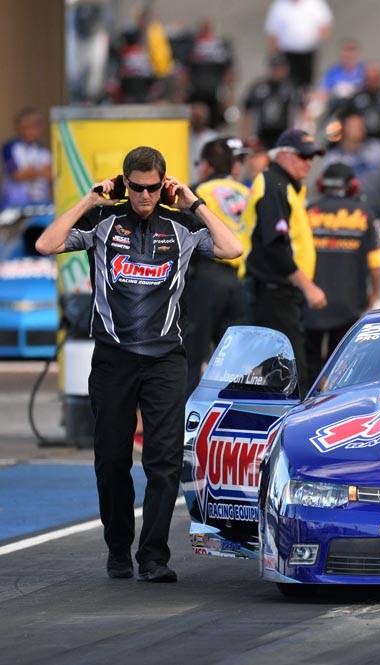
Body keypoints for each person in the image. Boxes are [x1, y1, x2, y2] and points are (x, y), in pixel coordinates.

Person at [33, 146, 243, 582]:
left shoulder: (181, 225)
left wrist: (194, 202)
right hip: (113, 357)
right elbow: (46, 243)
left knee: (163, 461)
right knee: (111, 459)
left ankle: (154, 556)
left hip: (166, 358)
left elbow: (233, 247)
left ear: (163, 184)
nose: (144, 196)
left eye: (152, 188)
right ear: (124, 183)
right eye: (136, 187)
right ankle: (117, 547)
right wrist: (91, 199)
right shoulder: (102, 221)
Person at [244, 129, 327, 395]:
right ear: (283, 155)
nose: (308, 162)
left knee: (278, 371)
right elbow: (276, 247)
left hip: (279, 293)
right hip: (272, 292)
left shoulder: (285, 186)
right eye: (303, 156)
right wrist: (308, 286)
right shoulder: (274, 185)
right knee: (291, 374)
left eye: (311, 157)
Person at [303, 162, 380, 387]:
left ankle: (308, 403)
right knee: (340, 364)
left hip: (311, 300)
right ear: (352, 186)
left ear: (322, 185)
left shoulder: (309, 211)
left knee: (309, 363)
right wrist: (374, 294)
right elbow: (376, 262)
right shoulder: (364, 214)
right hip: (349, 301)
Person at [183, 138, 251, 395]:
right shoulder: (247, 192)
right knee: (237, 365)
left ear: (206, 166)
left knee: (191, 358)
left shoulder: (197, 191)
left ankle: (184, 427)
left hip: (206, 277)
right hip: (240, 282)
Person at [322, 107, 380, 223]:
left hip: (378, 210)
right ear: (343, 129)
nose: (359, 130)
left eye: (361, 126)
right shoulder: (334, 159)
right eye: (353, 126)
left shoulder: (378, 151)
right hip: (347, 215)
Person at [265, 0, 333, 90]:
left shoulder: (314, 3)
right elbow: (271, 31)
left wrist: (316, 38)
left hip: (308, 51)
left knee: (308, 82)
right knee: (289, 82)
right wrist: (275, 53)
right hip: (287, 53)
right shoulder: (280, 5)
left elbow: (326, 23)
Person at [242, 54, 303, 150]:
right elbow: (247, 112)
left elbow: (302, 111)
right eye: (274, 68)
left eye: (280, 68)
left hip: (283, 133)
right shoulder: (258, 88)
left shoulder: (291, 88)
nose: (277, 71)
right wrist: (245, 137)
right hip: (262, 133)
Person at [186, 19, 235, 128]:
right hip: (197, 91)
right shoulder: (192, 45)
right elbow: (186, 71)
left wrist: (229, 95)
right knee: (197, 119)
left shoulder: (222, 45)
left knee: (216, 121)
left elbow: (230, 72)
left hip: (216, 91)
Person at [2, 108, 52, 208]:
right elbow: (17, 175)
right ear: (20, 127)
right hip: (15, 204)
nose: (31, 131)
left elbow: (51, 175)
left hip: (40, 203)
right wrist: (41, 171)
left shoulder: (44, 151)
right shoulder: (10, 147)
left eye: (35, 126)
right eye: (27, 126)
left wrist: (30, 172)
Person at [188, 102, 219, 175]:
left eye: (200, 117)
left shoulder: (213, 138)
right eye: (195, 117)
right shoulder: (184, 137)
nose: (197, 121)